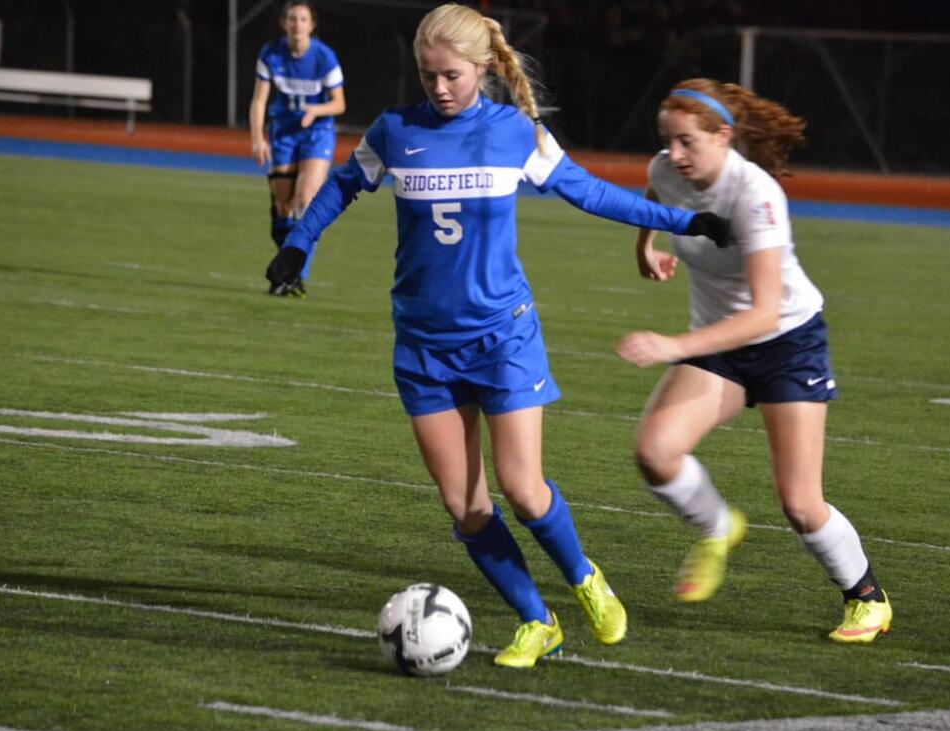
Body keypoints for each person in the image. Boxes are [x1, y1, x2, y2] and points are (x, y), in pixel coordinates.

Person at [266, 4, 731, 668]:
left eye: (451, 75)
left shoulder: (516, 132)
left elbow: (591, 193)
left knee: (523, 487)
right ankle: (536, 620)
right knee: (464, 504)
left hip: (500, 337)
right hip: (423, 347)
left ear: (482, 69)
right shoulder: (397, 130)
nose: (439, 88)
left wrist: (683, 221)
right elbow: (343, 184)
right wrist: (298, 246)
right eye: (428, 76)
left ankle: (585, 579)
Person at [615, 78, 892, 644]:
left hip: (787, 342)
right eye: (668, 140)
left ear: (724, 137)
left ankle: (867, 598)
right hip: (719, 344)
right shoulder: (669, 168)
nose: (674, 154)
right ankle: (719, 527)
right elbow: (654, 192)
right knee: (655, 452)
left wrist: (673, 347)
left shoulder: (756, 195)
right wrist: (644, 246)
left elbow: (766, 314)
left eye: (688, 141)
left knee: (799, 502)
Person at [249, 0, 345, 298]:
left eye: (303, 19)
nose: (297, 24)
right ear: (284, 23)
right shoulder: (271, 54)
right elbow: (259, 101)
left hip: (317, 134)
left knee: (305, 200)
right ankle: (286, 268)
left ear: (311, 25)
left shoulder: (324, 56)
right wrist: (257, 137)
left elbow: (339, 104)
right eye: (292, 18)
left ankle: (295, 274)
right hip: (284, 134)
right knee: (283, 208)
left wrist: (315, 111)